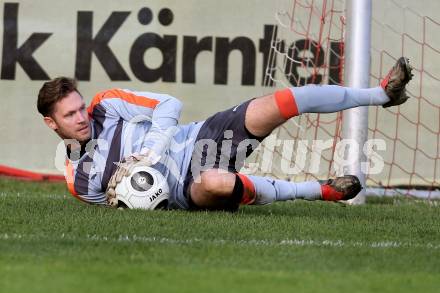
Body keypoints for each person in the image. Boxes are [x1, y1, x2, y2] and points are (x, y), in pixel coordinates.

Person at [37, 57, 413, 211]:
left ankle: (381, 94)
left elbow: (169, 105)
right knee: (216, 182)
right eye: (70, 115)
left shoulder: (107, 104)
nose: (82, 117)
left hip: (200, 137)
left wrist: (149, 152)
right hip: (185, 190)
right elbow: (125, 208)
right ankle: (321, 190)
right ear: (51, 124)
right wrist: (144, 190)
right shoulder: (80, 181)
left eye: (80, 107)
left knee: (278, 102)